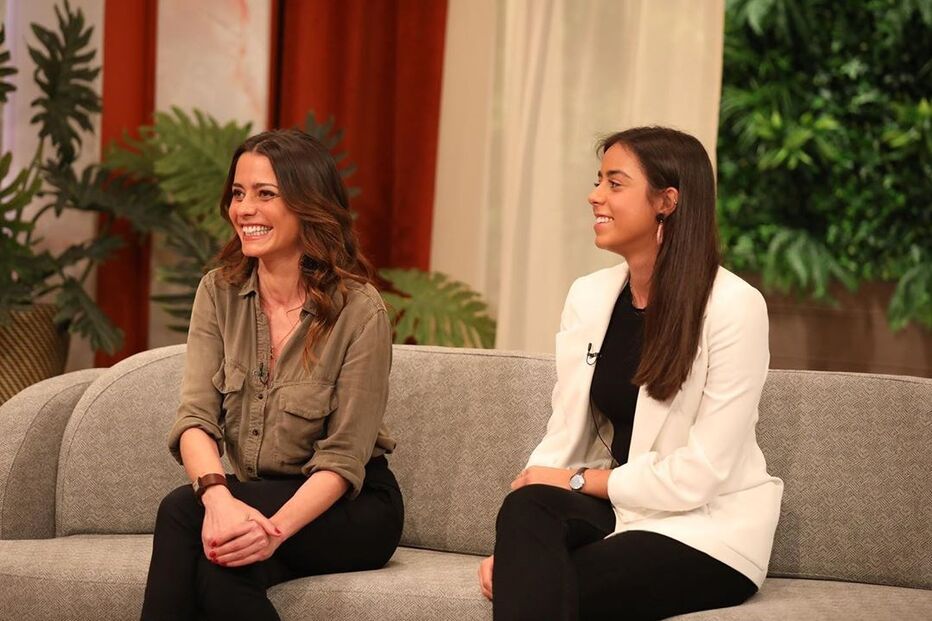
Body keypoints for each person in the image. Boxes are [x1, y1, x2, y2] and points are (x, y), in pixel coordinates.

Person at [478, 126, 783, 621]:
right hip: (623, 509)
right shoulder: (590, 295)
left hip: (703, 529)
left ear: (666, 201)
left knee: (556, 584)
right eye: (599, 181)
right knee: (528, 506)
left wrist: (577, 482)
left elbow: (699, 476)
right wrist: (521, 549)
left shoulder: (735, 307)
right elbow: (565, 432)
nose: (594, 196)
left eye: (614, 184)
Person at [140, 129, 404, 621]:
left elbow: (344, 459)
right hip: (254, 492)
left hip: (351, 508)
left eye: (266, 194)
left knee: (181, 512)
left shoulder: (360, 311)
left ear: (308, 205)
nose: (245, 209)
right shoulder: (218, 292)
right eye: (238, 194)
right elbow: (195, 418)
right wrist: (218, 498)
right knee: (220, 566)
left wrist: (272, 531)